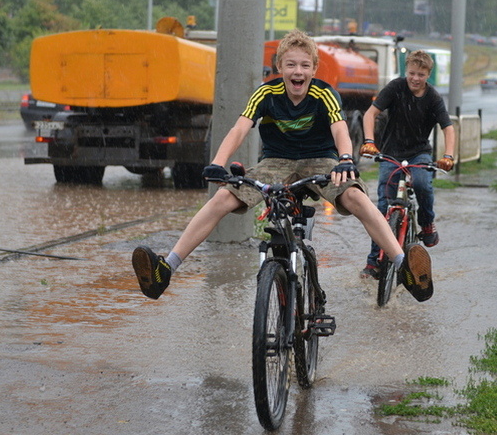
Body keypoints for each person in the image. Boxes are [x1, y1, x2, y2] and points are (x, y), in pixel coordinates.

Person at [132, 29, 430, 301]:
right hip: (275, 162)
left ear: (314, 69)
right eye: (290, 65)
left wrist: (345, 158)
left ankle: (403, 266)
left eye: (304, 66)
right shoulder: (266, 93)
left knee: (355, 197)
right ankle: (166, 269)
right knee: (222, 197)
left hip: (321, 159)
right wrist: (217, 164)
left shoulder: (323, 93)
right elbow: (238, 129)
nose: (297, 72)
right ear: (279, 69)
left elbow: (340, 128)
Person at [359, 49, 456, 280]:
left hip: (419, 154)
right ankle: (373, 262)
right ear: (406, 71)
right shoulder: (395, 88)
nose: (415, 78)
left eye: (421, 74)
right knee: (382, 206)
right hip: (391, 152)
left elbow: (448, 128)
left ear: (428, 75)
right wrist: (369, 142)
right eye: (412, 73)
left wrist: (449, 155)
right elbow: (370, 114)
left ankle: (427, 224)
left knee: (423, 184)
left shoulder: (433, 98)